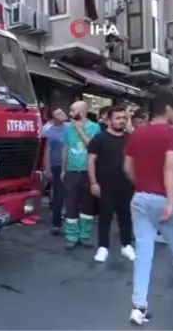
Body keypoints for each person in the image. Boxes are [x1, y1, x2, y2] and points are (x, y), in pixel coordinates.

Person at [124, 87, 173, 325]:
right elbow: (170, 167)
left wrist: (142, 187)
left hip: (140, 199)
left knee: (143, 254)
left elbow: (128, 169)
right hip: (163, 200)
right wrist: (171, 201)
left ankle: (138, 307)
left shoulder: (137, 133)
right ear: (169, 107)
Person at [87, 105, 136, 263]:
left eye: (124, 118)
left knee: (126, 216)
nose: (122, 121)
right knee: (105, 216)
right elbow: (91, 161)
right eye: (118, 118)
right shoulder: (99, 139)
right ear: (109, 120)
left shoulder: (130, 138)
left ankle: (126, 245)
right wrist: (93, 182)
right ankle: (103, 247)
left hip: (126, 183)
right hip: (105, 184)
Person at [62, 101, 101, 249]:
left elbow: (92, 147)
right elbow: (65, 148)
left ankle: (85, 236)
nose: (70, 114)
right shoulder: (67, 128)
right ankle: (71, 236)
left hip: (88, 172)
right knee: (71, 204)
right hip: (72, 172)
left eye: (73, 111)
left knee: (88, 205)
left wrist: (79, 129)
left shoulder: (95, 127)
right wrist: (63, 170)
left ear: (82, 112)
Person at [42, 107, 68, 235]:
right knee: (57, 195)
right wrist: (47, 169)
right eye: (59, 113)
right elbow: (46, 151)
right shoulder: (48, 131)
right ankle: (56, 223)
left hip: (72, 166)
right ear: (53, 117)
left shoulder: (71, 128)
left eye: (63, 112)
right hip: (56, 166)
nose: (62, 114)